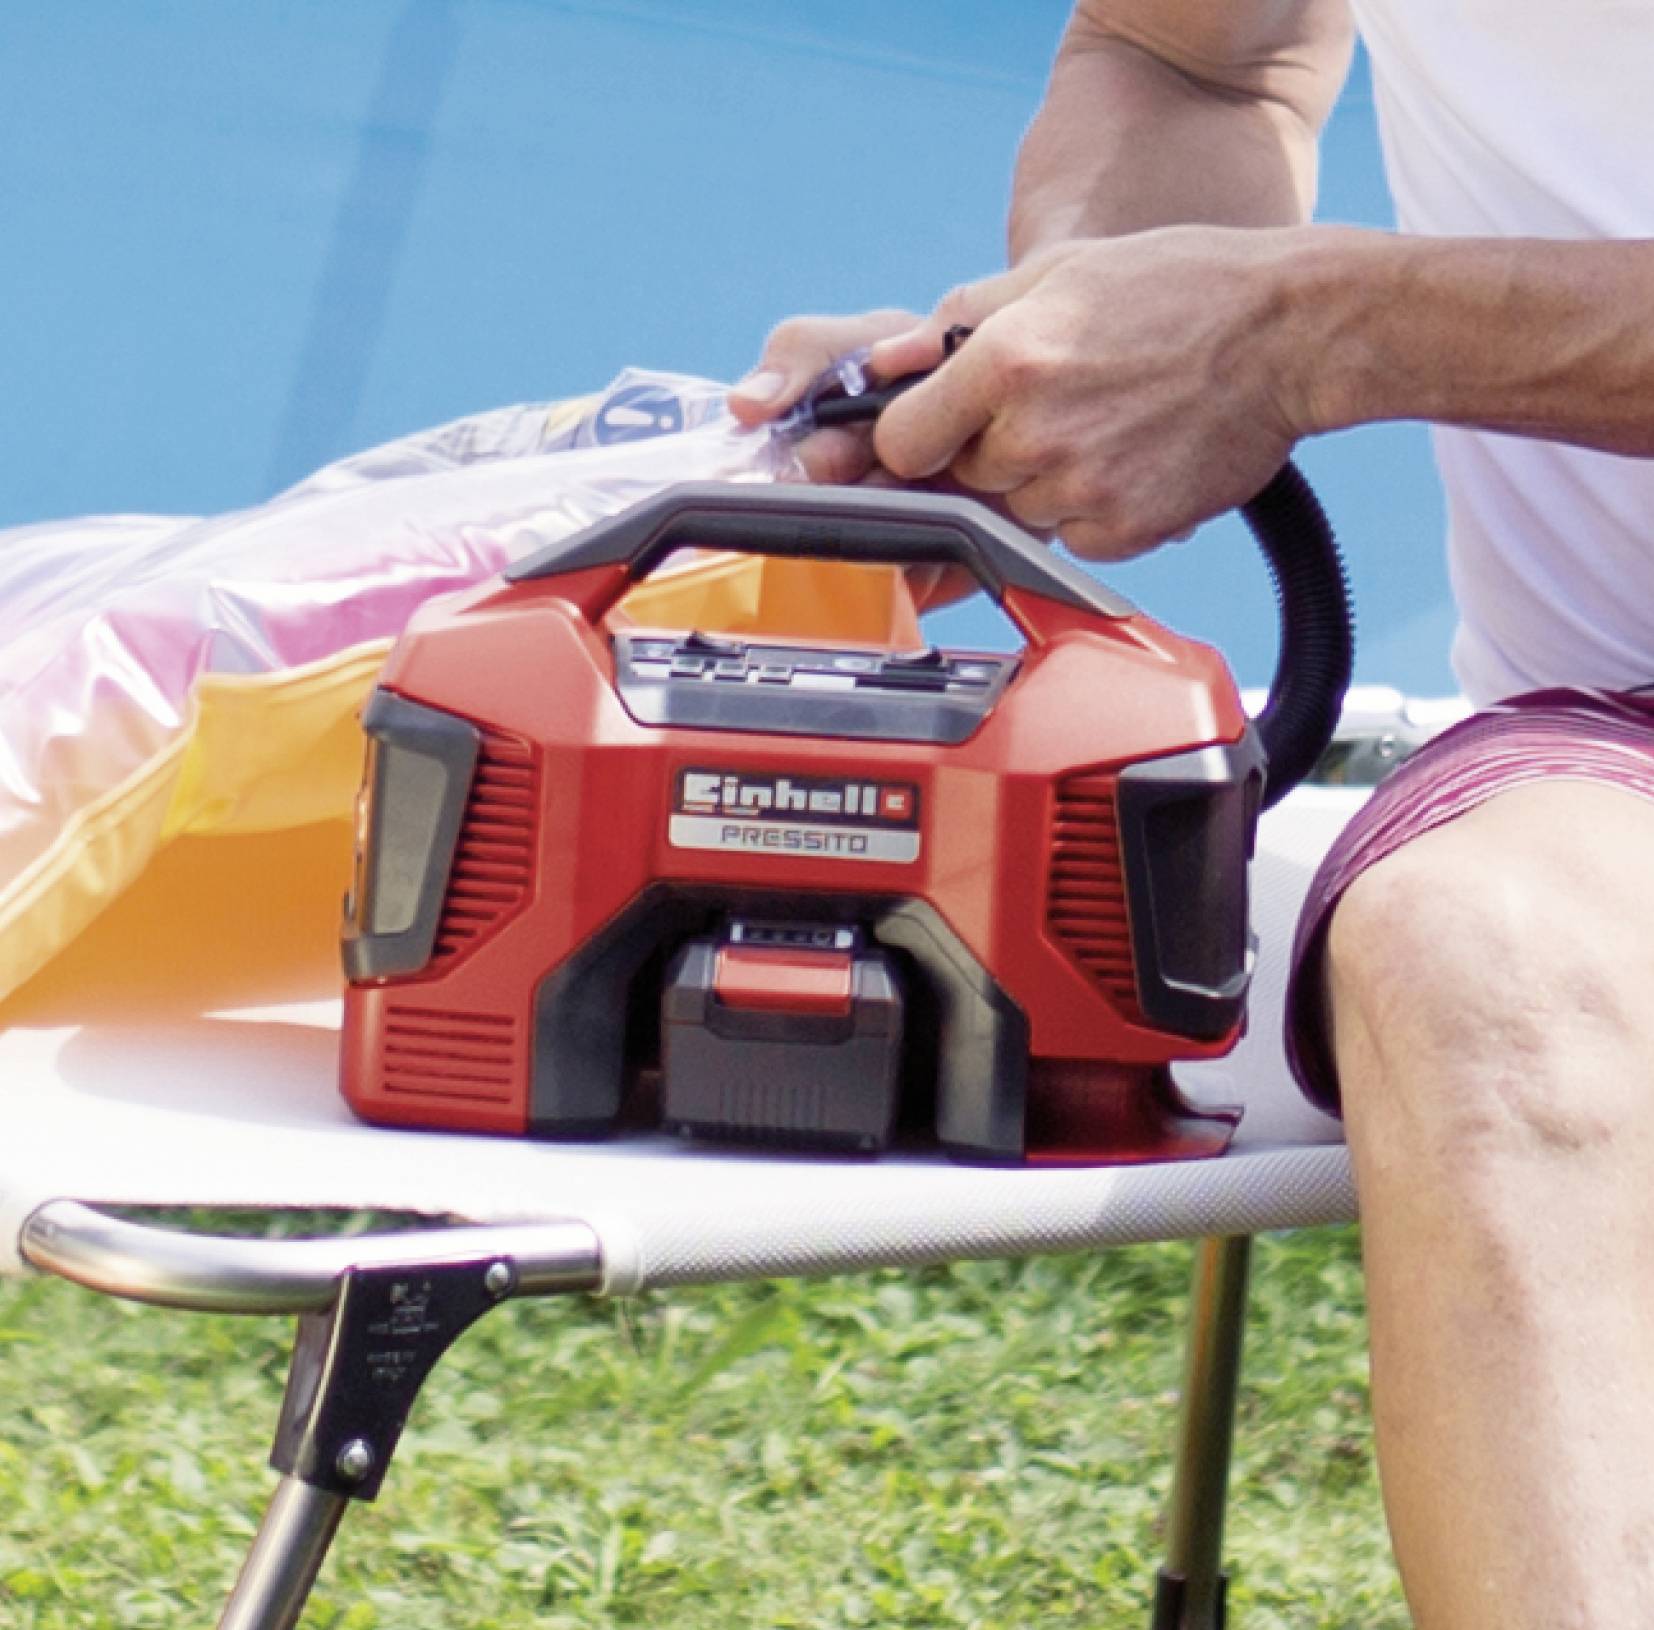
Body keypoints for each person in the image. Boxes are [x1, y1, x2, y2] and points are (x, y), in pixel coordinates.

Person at [728, 3, 1654, 1626]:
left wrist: (1307, 331)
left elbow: (1297, 313)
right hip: (1611, 734)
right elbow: (1194, 57)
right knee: (1483, 954)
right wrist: (1052, 354)